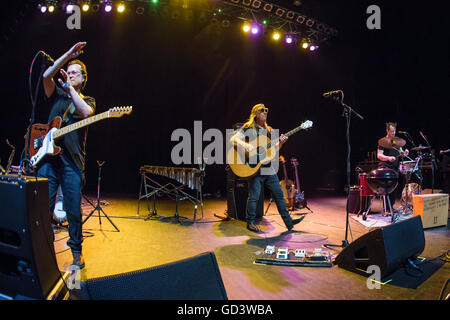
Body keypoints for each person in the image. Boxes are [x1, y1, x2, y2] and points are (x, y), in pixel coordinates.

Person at [38, 42, 95, 269]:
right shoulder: (57, 95)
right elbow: (46, 74)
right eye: (68, 73)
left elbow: (86, 113)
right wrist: (69, 55)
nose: (69, 76)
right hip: (49, 162)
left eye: (74, 73)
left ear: (83, 78)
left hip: (72, 163)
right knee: (43, 209)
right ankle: (43, 251)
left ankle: (76, 253)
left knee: (72, 210)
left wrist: (71, 91)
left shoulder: (87, 100)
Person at [230, 103, 305, 233]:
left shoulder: (269, 130)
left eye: (266, 110)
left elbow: (273, 150)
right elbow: (233, 139)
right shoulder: (248, 128)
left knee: (279, 196)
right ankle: (250, 222)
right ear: (255, 114)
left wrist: (281, 143)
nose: (265, 112)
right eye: (261, 110)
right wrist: (245, 145)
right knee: (254, 196)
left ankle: (289, 223)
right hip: (253, 167)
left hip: (268, 168)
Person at [377, 122, 409, 211]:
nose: (393, 133)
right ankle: (387, 208)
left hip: (395, 167)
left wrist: (405, 154)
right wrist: (388, 158)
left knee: (394, 188)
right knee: (388, 188)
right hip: (386, 167)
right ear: (387, 131)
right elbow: (379, 155)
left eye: (394, 131)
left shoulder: (397, 141)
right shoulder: (382, 141)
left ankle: (390, 207)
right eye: (391, 131)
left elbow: (401, 154)